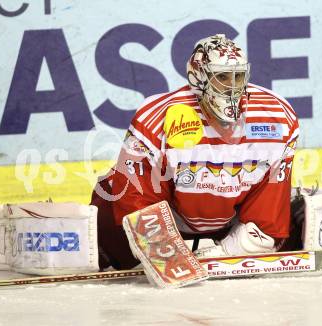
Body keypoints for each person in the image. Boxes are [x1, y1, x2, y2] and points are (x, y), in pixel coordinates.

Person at [91, 34, 300, 270]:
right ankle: (103, 248)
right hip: (167, 216)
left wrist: (228, 250)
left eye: (238, 76)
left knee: (272, 235)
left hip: (226, 222)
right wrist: (164, 252)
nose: (232, 87)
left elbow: (268, 200)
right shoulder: (156, 116)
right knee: (113, 215)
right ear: (198, 77)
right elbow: (135, 195)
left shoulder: (277, 116)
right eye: (222, 77)